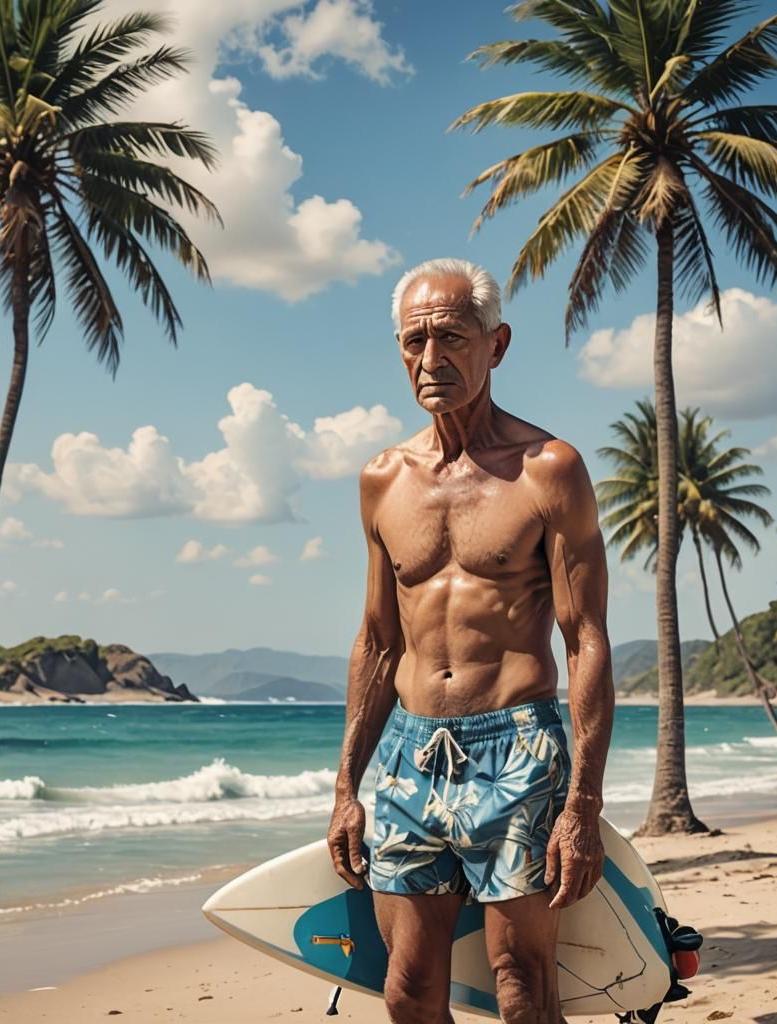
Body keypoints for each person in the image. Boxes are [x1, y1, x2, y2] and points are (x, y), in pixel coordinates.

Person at [327, 257, 615, 1024]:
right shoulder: (382, 480)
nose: (430, 361)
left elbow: (585, 639)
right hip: (410, 753)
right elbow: (378, 644)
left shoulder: (549, 470)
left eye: (451, 338)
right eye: (413, 342)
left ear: (498, 344)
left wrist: (582, 802)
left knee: (520, 983)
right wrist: (345, 789)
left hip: (517, 749)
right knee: (408, 990)